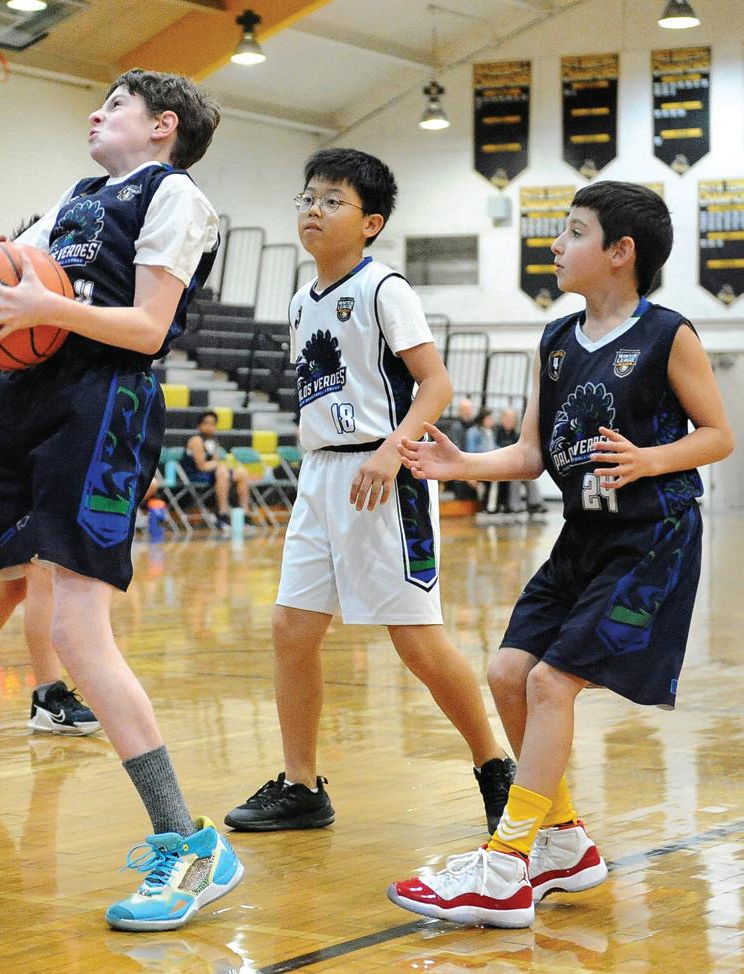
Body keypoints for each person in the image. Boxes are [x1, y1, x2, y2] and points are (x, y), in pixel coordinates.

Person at [0, 69, 243, 931]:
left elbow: (147, 327)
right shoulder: (76, 196)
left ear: (163, 125)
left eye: (117, 105)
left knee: (76, 635)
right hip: (27, 399)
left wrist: (42, 306)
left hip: (105, 404)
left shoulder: (176, 197)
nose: (97, 113)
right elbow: (15, 274)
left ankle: (191, 844)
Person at [388, 181, 733, 928]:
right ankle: (566, 842)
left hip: (652, 536)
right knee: (508, 674)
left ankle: (506, 864)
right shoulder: (554, 340)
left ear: (620, 252)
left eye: (574, 231)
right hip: (583, 536)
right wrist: (463, 465)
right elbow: (531, 453)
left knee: (551, 683)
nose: (555, 244)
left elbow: (718, 436)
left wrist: (649, 459)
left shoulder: (667, 334)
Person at [225, 148, 514, 838]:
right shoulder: (300, 301)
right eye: (307, 197)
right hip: (322, 474)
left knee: (415, 640)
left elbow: (436, 384)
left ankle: (496, 767)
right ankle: (301, 785)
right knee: (292, 629)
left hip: (384, 476)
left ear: (371, 222)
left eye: (332, 200)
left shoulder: (386, 289)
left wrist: (392, 448)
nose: (313, 210)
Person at [0, 358, 100, 734]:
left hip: (55, 463)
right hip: (10, 469)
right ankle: (48, 696)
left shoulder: (64, 331)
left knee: (12, 587)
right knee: (41, 573)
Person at [178, 409, 250, 528]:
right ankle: (222, 513)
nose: (209, 427)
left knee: (242, 473)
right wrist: (219, 465)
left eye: (212, 424)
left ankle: (244, 514)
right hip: (194, 474)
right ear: (199, 425)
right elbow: (201, 466)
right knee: (222, 471)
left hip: (211, 473)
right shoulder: (196, 440)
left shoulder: (213, 441)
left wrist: (219, 464)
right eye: (206, 423)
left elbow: (215, 462)